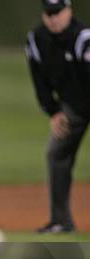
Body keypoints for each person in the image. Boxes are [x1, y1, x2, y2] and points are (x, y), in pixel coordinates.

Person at [26, 0, 89, 233]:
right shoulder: (37, 40)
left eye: (58, 12)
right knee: (56, 153)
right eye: (49, 13)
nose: (53, 18)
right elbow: (39, 79)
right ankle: (61, 221)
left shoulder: (83, 37)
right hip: (73, 107)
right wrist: (53, 111)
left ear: (69, 11)